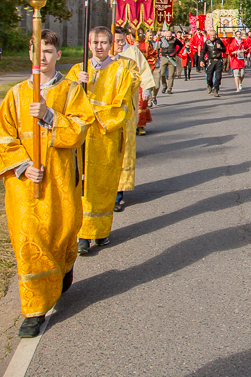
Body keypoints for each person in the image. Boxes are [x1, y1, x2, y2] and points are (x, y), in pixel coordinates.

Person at [0, 29, 94, 338]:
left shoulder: (70, 91)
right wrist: (23, 168)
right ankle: (34, 310)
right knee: (28, 240)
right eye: (37, 50)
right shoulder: (15, 94)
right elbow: (3, 138)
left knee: (61, 232)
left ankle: (64, 267)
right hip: (26, 185)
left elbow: (79, 130)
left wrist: (50, 115)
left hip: (60, 180)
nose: (42, 56)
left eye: (48, 51)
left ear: (58, 55)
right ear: (29, 54)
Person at [66, 27, 140, 256]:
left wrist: (95, 117)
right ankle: (82, 235)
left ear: (111, 45)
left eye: (103, 42)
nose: (99, 46)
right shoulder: (77, 70)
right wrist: (75, 85)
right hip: (81, 140)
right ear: (88, 44)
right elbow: (61, 102)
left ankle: (100, 230)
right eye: (94, 42)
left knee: (103, 187)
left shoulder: (121, 70)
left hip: (105, 137)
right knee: (81, 187)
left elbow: (123, 105)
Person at [115, 33, 155, 206]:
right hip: (100, 117)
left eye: (119, 40)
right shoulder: (96, 60)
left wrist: (146, 88)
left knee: (122, 151)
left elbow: (143, 69)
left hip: (125, 109)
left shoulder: (132, 53)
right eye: (113, 41)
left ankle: (118, 193)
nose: (116, 44)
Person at [157, 29, 183, 94]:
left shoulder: (174, 40)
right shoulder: (162, 40)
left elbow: (181, 45)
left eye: (169, 36)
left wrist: (177, 52)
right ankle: (164, 86)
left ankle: (169, 89)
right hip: (164, 57)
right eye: (167, 36)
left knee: (171, 75)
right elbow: (157, 45)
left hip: (172, 58)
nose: (168, 38)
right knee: (162, 74)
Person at [202, 28, 227, 97]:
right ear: (209, 35)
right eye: (211, 35)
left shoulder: (219, 41)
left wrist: (220, 48)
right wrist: (201, 60)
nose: (213, 36)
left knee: (218, 77)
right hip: (210, 61)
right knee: (209, 77)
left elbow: (225, 50)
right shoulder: (207, 42)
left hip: (218, 61)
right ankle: (210, 85)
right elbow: (203, 52)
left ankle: (216, 89)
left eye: (214, 35)